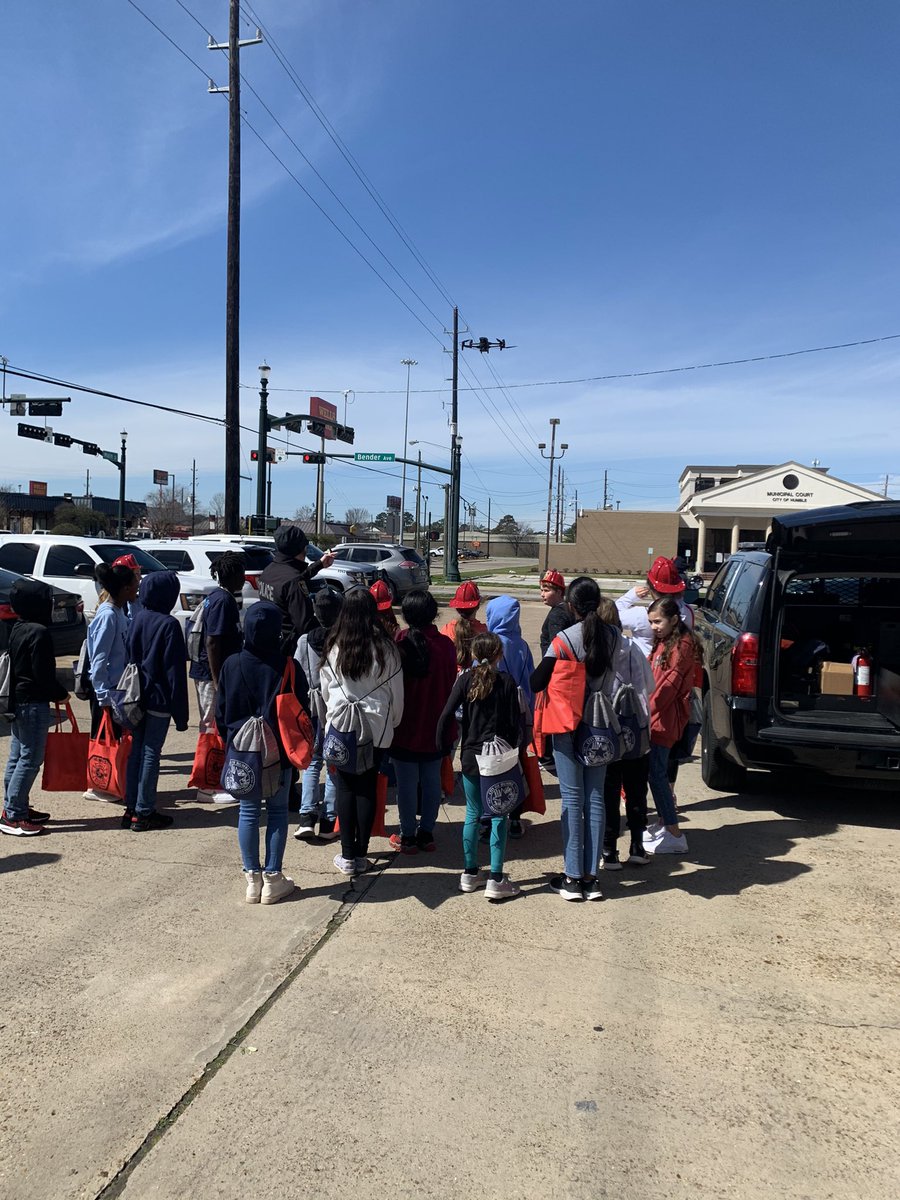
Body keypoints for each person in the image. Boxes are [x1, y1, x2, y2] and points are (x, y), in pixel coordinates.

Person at [531, 576, 649, 901]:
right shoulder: (615, 637)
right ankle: (591, 877)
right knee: (596, 798)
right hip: (601, 724)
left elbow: (536, 681)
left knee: (572, 799)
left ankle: (571, 878)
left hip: (569, 724)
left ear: (570, 605)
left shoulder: (565, 639)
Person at [216, 601, 309, 903]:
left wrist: (229, 739)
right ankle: (273, 877)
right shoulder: (288, 666)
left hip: (243, 752)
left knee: (248, 811)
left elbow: (220, 711)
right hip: (278, 752)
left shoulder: (231, 664)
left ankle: (251, 878)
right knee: (279, 811)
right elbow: (304, 709)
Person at [319, 588, 403, 876]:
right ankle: (361, 852)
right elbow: (396, 693)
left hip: (342, 727)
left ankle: (346, 855)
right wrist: (392, 722)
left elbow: (326, 690)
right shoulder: (387, 648)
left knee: (345, 786)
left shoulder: (334, 646)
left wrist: (331, 719)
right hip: (376, 728)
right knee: (367, 787)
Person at [436, 632, 523, 901]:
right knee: (499, 814)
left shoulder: (464, 680)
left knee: (473, 812)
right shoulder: (507, 682)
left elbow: (446, 714)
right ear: (499, 655)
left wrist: (443, 748)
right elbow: (516, 723)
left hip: (471, 756)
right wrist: (515, 750)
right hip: (498, 757)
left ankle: (470, 872)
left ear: (473, 655)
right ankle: (496, 877)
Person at [389, 590, 458, 855]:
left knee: (406, 785)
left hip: (404, 728)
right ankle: (427, 832)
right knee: (431, 781)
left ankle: (407, 835)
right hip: (437, 728)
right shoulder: (445, 646)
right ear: (434, 614)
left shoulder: (399, 643)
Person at [1, 580, 68, 836]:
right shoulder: (39, 632)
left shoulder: (17, 627)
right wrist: (61, 695)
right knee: (30, 759)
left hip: (18, 701)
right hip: (33, 703)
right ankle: (14, 816)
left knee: (17, 757)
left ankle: (14, 806)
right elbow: (43, 674)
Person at [124, 572, 189, 832]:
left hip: (136, 696)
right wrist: (181, 715)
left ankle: (131, 806)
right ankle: (144, 810)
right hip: (159, 699)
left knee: (137, 751)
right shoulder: (169, 624)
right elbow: (174, 673)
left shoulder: (137, 618)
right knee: (152, 753)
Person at [597, 598, 656, 869]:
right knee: (635, 789)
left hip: (608, 726)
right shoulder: (632, 649)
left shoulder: (595, 651)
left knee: (609, 789)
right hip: (636, 726)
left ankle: (609, 849)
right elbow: (650, 685)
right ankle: (637, 845)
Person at [643, 597, 702, 855]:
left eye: (658, 621)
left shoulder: (681, 646)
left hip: (664, 720)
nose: (654, 626)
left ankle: (675, 832)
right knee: (659, 774)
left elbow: (666, 689)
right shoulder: (665, 642)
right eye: (651, 622)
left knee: (657, 775)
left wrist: (644, 711)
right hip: (657, 717)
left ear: (674, 620)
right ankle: (664, 823)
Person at [189, 552, 245, 801]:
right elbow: (212, 642)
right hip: (211, 674)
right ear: (232, 575)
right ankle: (208, 785)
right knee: (211, 727)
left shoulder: (217, 596)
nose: (244, 578)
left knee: (214, 726)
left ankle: (215, 780)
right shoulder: (222, 601)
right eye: (241, 574)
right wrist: (216, 679)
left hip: (212, 673)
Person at [84, 562, 139, 801]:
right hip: (107, 691)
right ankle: (98, 786)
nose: (137, 590)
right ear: (125, 588)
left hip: (118, 688)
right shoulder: (107, 615)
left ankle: (111, 782)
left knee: (116, 740)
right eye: (134, 586)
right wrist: (103, 695)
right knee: (103, 740)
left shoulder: (119, 611)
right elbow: (99, 659)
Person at [293, 587, 344, 841]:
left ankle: (306, 817)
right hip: (335, 708)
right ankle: (330, 818)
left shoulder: (304, 641)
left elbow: (297, 672)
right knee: (333, 762)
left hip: (311, 709)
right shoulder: (342, 641)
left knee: (312, 762)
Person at [485, 595, 535, 838]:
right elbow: (530, 682)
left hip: (492, 717)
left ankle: (487, 819)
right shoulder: (523, 646)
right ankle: (514, 819)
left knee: (489, 766)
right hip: (518, 715)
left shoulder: (489, 644)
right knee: (515, 767)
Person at [257, 523, 335, 654]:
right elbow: (306, 626)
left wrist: (320, 564)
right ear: (300, 548)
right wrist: (336, 634)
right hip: (290, 651)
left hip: (270, 643)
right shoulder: (293, 581)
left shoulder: (269, 570)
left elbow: (296, 577)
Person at [615, 556, 694, 657]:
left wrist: (630, 596)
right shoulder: (688, 611)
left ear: (651, 588)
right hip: (677, 665)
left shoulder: (642, 614)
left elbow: (612, 615)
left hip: (645, 669)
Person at [537, 570, 575, 771]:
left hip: (556, 672)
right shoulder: (566, 609)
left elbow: (556, 646)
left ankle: (550, 756)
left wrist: (547, 673)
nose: (542, 594)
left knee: (552, 715)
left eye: (546, 590)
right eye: (541, 590)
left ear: (560, 591)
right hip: (565, 672)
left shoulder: (557, 614)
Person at [440, 581, 487, 670]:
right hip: (475, 678)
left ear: (457, 608)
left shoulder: (447, 629)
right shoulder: (483, 631)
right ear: (477, 606)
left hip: (451, 678)